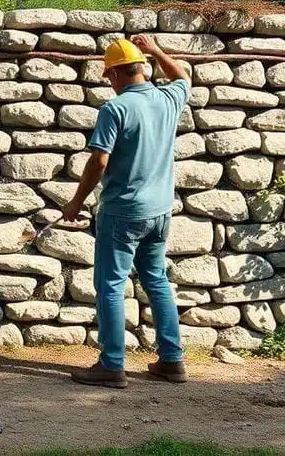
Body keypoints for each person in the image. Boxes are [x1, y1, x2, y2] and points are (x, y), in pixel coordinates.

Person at [63, 34, 189, 389]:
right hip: (160, 212)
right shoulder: (168, 99)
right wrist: (157, 50)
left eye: (109, 77)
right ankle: (172, 361)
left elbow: (99, 161)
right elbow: (183, 77)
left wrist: (76, 201)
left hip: (122, 212)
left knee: (111, 286)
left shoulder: (115, 109)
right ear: (142, 67)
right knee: (157, 281)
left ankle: (112, 365)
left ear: (116, 74)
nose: (110, 84)